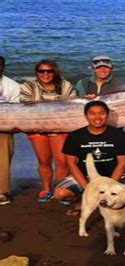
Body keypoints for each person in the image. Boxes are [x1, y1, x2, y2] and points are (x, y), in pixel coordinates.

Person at [54, 100, 125, 215]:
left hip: (112, 176)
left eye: (101, 113)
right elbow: (71, 164)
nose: (97, 117)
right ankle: (81, 201)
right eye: (92, 113)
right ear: (86, 116)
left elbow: (122, 164)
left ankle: (110, 204)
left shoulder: (120, 135)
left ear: (107, 115)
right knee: (60, 193)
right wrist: (88, 188)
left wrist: (109, 187)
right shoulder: (75, 136)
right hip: (85, 176)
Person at [20, 59, 77, 203]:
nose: (46, 74)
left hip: (60, 126)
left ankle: (61, 189)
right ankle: (46, 188)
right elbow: (23, 107)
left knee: (62, 161)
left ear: (54, 72)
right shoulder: (29, 86)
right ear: (37, 73)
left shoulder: (65, 85)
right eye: (42, 71)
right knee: (44, 161)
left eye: (49, 71)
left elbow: (73, 106)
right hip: (37, 126)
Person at [0, 56, 20, 205]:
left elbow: (17, 110)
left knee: (3, 156)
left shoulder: (11, 85)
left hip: (4, 125)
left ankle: (1, 191)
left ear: (4, 67)